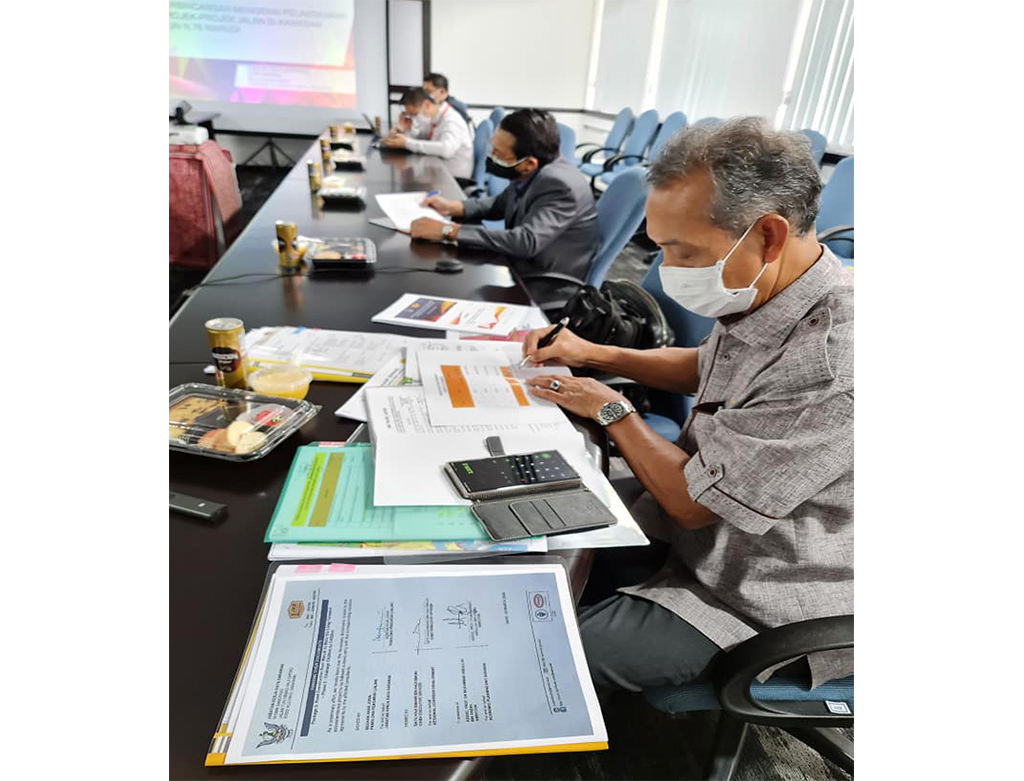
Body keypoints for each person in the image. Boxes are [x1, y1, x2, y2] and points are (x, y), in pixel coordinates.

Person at [520, 117, 854, 693]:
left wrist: (611, 410)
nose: (668, 270)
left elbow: (693, 503)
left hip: (761, 591)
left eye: (683, 251)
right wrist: (591, 353)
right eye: (660, 248)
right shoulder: (775, 288)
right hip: (694, 528)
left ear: (768, 235)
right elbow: (708, 365)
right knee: (530, 528)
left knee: (539, 663)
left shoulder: (834, 363)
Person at [410, 109, 598, 304]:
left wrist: (448, 231)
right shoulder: (534, 168)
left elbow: (526, 241)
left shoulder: (559, 185)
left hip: (546, 283)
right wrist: (454, 207)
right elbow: (501, 203)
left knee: (452, 293)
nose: (491, 156)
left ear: (529, 164)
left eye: (498, 153)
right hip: (523, 264)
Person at [380, 87, 473, 179]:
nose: (413, 118)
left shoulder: (452, 120)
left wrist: (406, 143)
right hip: (437, 172)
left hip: (454, 178)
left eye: (414, 114)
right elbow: (421, 139)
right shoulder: (434, 118)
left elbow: (446, 150)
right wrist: (406, 129)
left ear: (427, 104)